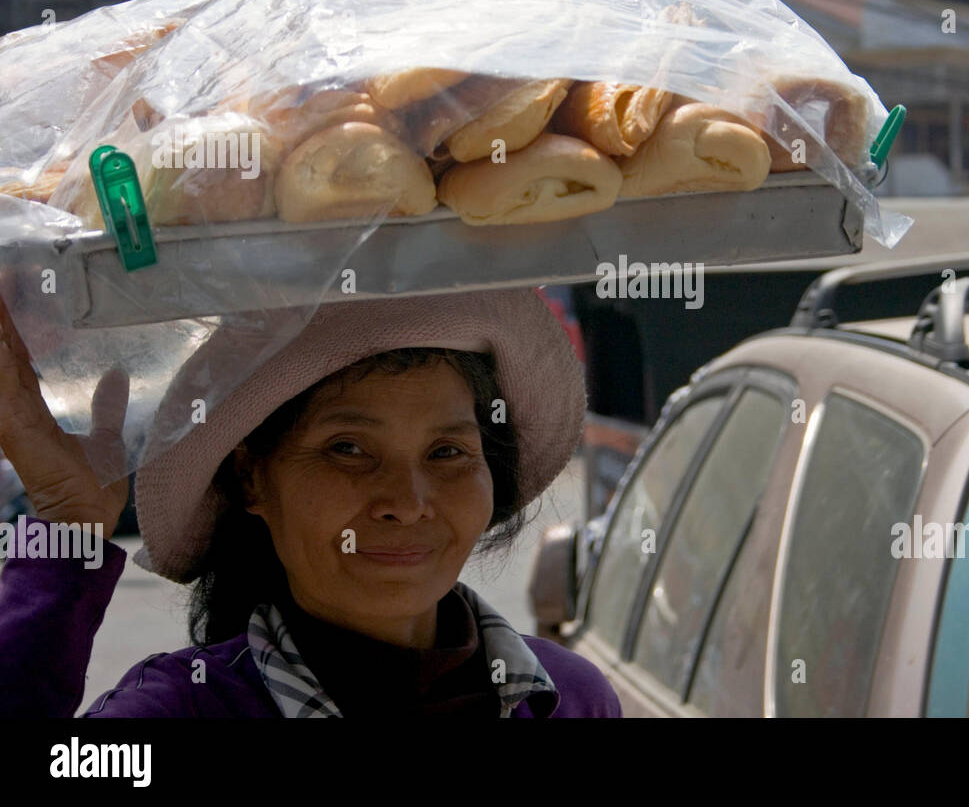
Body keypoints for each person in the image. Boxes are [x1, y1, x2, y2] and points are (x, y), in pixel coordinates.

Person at [0, 287, 621, 718]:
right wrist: (66, 531)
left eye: (447, 452)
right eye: (347, 448)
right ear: (252, 480)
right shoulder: (179, 711)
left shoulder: (570, 698)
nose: (407, 503)